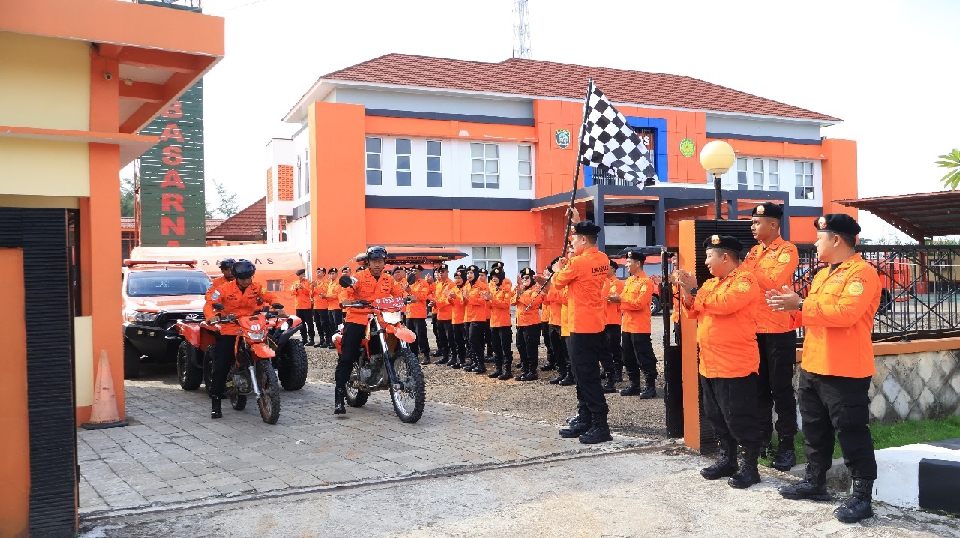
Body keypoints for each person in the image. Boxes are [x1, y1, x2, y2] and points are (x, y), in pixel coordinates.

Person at [766, 214, 881, 523]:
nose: (815, 243)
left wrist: (800, 304)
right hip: (814, 364)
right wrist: (787, 308)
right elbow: (814, 315)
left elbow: (845, 314)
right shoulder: (822, 275)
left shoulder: (862, 274)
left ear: (836, 240)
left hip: (845, 369)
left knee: (851, 431)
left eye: (820, 237)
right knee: (816, 430)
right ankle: (816, 482)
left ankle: (861, 497)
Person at [672, 234, 764, 489]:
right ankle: (728, 459)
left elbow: (724, 305)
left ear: (725, 257)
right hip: (710, 362)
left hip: (735, 364)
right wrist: (685, 289)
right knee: (716, 416)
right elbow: (695, 311)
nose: (707, 262)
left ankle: (750, 467)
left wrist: (694, 289)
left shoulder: (745, 281)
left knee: (739, 417)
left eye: (710, 256)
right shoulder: (711, 284)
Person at [534, 210, 613, 444]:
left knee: (586, 378)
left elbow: (558, 281)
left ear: (584, 240)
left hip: (581, 326)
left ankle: (600, 425)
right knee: (582, 375)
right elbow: (576, 265)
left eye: (575, 239)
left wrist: (558, 269)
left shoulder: (578, 263)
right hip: (592, 323)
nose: (572, 242)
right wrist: (577, 223)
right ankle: (586, 418)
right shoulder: (602, 259)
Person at [739, 202, 800, 470]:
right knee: (758, 390)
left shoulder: (787, 251)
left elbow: (774, 281)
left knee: (781, 390)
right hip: (754, 330)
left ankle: (787, 446)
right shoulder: (753, 252)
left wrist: (747, 272)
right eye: (752, 222)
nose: (752, 227)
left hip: (778, 330)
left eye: (756, 222)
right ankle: (763, 441)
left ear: (773, 224)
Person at [203, 259, 281, 419]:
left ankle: (268, 374)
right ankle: (216, 402)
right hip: (230, 327)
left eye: (249, 277)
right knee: (222, 364)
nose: (247, 281)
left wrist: (277, 306)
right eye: (244, 278)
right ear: (236, 277)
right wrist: (212, 316)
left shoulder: (256, 287)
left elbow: (270, 296)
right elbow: (210, 303)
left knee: (274, 345)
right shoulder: (224, 289)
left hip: (251, 326)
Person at [336, 246, 405, 415]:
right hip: (358, 317)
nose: (377, 264)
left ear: (384, 263)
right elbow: (345, 290)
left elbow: (399, 294)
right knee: (347, 356)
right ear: (368, 262)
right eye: (374, 261)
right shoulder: (358, 277)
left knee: (397, 338)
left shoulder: (388, 279)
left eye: (380, 261)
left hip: (380, 318)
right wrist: (345, 300)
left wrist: (407, 297)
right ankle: (339, 398)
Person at [611, 248, 658, 398]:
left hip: (640, 327)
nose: (626, 265)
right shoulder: (630, 281)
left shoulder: (646, 282)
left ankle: (650, 386)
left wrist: (620, 300)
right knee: (628, 357)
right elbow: (624, 301)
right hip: (627, 325)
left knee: (644, 356)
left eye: (629, 262)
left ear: (637, 263)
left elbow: (639, 304)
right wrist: (618, 300)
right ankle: (634, 385)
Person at [514, 267, 544, 382]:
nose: (524, 279)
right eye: (523, 278)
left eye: (527, 277)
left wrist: (520, 294)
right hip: (520, 323)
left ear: (532, 278)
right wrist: (518, 292)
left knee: (530, 348)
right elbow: (512, 301)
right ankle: (525, 369)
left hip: (532, 324)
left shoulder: (536, 289)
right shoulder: (521, 289)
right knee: (520, 346)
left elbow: (532, 303)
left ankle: (532, 371)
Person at [600, 259, 624, 393]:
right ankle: (607, 370)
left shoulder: (616, 283)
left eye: (607, 267)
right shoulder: (604, 283)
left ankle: (618, 373)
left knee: (614, 347)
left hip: (613, 319)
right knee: (605, 347)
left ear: (613, 269)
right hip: (604, 319)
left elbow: (609, 298)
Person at [486, 264, 514, 380]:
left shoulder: (506, 288)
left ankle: (507, 370)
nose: (494, 278)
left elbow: (505, 304)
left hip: (504, 322)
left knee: (505, 347)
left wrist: (493, 300)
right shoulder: (491, 288)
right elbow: (489, 306)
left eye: (496, 276)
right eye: (492, 276)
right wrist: (487, 300)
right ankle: (498, 369)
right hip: (494, 322)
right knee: (496, 347)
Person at [404, 264, 433, 364]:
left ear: (421, 272)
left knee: (421, 336)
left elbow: (423, 296)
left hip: (419, 314)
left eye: (416, 271)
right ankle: (413, 355)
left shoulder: (424, 283)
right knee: (411, 336)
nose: (414, 272)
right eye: (413, 271)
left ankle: (426, 355)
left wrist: (410, 291)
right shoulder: (408, 283)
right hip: (409, 313)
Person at [464, 265, 489, 374]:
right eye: (468, 273)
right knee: (470, 341)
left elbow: (483, 301)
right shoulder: (467, 286)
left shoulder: (482, 286)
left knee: (475, 340)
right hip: (469, 316)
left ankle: (481, 364)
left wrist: (470, 298)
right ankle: (474, 361)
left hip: (478, 317)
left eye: (471, 273)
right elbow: (464, 302)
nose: (469, 275)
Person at [432, 265, 456, 364]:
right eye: (439, 272)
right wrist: (434, 302)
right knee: (442, 337)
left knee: (450, 338)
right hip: (440, 314)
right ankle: (445, 356)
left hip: (449, 315)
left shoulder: (451, 284)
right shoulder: (438, 284)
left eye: (443, 271)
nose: (441, 273)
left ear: (447, 272)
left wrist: (436, 303)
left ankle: (453, 357)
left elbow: (448, 300)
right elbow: (437, 298)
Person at [448, 266, 469, 369]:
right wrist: (450, 298)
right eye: (456, 278)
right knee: (458, 341)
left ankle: (470, 360)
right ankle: (461, 360)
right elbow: (451, 303)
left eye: (459, 278)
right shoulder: (453, 289)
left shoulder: (467, 288)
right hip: (455, 318)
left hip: (464, 318)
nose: (457, 280)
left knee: (468, 341)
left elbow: (464, 302)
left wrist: (456, 297)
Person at [290, 268, 315, 346]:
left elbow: (309, 292)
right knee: (301, 324)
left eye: (304, 274)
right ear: (298, 276)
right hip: (298, 306)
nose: (303, 276)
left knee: (310, 323)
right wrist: (296, 288)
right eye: (301, 274)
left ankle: (311, 339)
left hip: (307, 306)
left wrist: (303, 288)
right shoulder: (295, 283)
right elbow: (292, 293)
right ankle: (304, 339)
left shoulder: (308, 282)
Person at [326, 267, 345, 348]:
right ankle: (334, 342)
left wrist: (326, 296)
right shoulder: (330, 283)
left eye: (333, 273)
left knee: (338, 325)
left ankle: (339, 342)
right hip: (330, 307)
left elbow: (337, 295)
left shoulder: (339, 283)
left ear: (337, 274)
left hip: (337, 307)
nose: (331, 275)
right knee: (332, 325)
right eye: (330, 274)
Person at [311, 267, 329, 348]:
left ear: (324, 274)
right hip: (316, 306)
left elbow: (324, 292)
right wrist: (312, 287)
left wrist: (316, 287)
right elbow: (311, 294)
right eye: (317, 272)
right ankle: (321, 340)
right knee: (318, 324)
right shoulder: (315, 282)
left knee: (324, 324)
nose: (317, 273)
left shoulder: (326, 282)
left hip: (324, 306)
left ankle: (327, 340)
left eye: (319, 272)